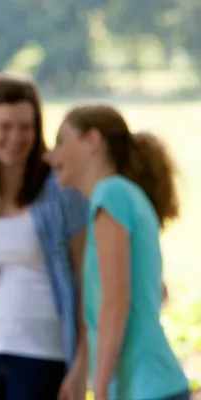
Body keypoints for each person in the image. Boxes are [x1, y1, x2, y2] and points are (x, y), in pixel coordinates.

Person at [44, 103, 190, 400]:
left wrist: (99, 391)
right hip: (152, 385)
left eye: (61, 141)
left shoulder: (110, 195)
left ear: (92, 141)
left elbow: (115, 302)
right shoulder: (123, 195)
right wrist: (80, 374)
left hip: (145, 389)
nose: (50, 156)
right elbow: (150, 292)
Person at [0, 72, 89, 400]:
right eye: (5, 126)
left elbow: (84, 280)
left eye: (26, 126)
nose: (16, 137)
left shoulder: (61, 190)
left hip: (45, 355)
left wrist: (81, 366)